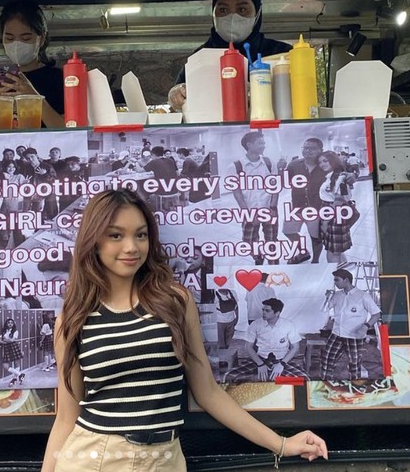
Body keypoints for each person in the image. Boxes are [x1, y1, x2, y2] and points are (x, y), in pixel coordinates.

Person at [41, 189, 328, 471]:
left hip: (165, 460)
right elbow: (66, 418)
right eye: (116, 235)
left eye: (140, 235)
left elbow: (208, 392)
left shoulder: (175, 302)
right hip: (94, 459)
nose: (131, 247)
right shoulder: (73, 319)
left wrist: (281, 444)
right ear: (93, 241)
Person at [168, 0, 293, 111]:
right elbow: (180, 104)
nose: (232, 17)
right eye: (223, 10)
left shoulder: (281, 53)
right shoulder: (199, 58)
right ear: (213, 14)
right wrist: (177, 96)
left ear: (257, 15)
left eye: (242, 9)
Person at [0, 0, 64, 129]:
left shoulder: (59, 79)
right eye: (9, 38)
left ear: (42, 38)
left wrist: (35, 98)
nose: (16, 44)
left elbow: (70, 131)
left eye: (25, 38)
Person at [228, 298, 309, 383]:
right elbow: (248, 347)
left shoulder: (288, 325)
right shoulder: (256, 324)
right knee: (230, 377)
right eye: (263, 310)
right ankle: (271, 381)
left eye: (267, 311)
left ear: (277, 313)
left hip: (282, 359)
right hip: (260, 358)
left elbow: (295, 347)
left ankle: (274, 382)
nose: (263, 313)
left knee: (304, 380)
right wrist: (260, 364)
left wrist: (282, 364)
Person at [320, 269, 381, 381]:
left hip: (354, 336)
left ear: (346, 280)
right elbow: (324, 310)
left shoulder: (363, 296)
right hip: (337, 334)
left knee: (354, 365)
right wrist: (327, 297)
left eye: (337, 280)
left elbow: (376, 314)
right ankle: (326, 383)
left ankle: (355, 386)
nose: (335, 283)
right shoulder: (337, 295)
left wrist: (366, 326)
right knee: (326, 360)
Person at [228, 131, 279, 265]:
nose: (263, 146)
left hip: (269, 208)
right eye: (260, 143)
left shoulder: (269, 163)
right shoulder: (236, 166)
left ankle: (274, 267)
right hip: (249, 210)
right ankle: (258, 258)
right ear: (249, 145)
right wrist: (248, 213)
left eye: (264, 143)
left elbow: (275, 187)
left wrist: (273, 207)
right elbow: (237, 193)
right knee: (248, 242)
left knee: (272, 242)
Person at [280, 137, 325, 265]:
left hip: (317, 209)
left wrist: (352, 175)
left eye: (312, 148)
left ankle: (315, 261)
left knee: (316, 238)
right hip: (297, 207)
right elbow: (283, 182)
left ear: (321, 150)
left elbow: (340, 174)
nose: (307, 151)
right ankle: (303, 252)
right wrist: (280, 170)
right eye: (305, 148)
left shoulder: (325, 166)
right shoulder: (293, 165)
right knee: (288, 231)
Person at [317, 151, 355, 263]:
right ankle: (342, 269)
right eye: (320, 162)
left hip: (334, 215)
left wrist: (325, 221)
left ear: (333, 160)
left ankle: (334, 272)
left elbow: (339, 200)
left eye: (325, 161)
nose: (322, 164)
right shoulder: (331, 176)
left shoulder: (340, 177)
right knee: (337, 250)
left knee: (332, 251)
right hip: (333, 213)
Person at [0, 318, 26, 386]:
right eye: (9, 323)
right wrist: (7, 340)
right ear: (6, 324)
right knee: (5, 365)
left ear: (13, 324)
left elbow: (12, 340)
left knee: (16, 363)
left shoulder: (15, 331)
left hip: (14, 347)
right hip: (7, 348)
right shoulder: (4, 331)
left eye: (11, 323)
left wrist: (5, 340)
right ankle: (20, 374)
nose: (10, 324)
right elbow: (0, 341)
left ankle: (14, 379)